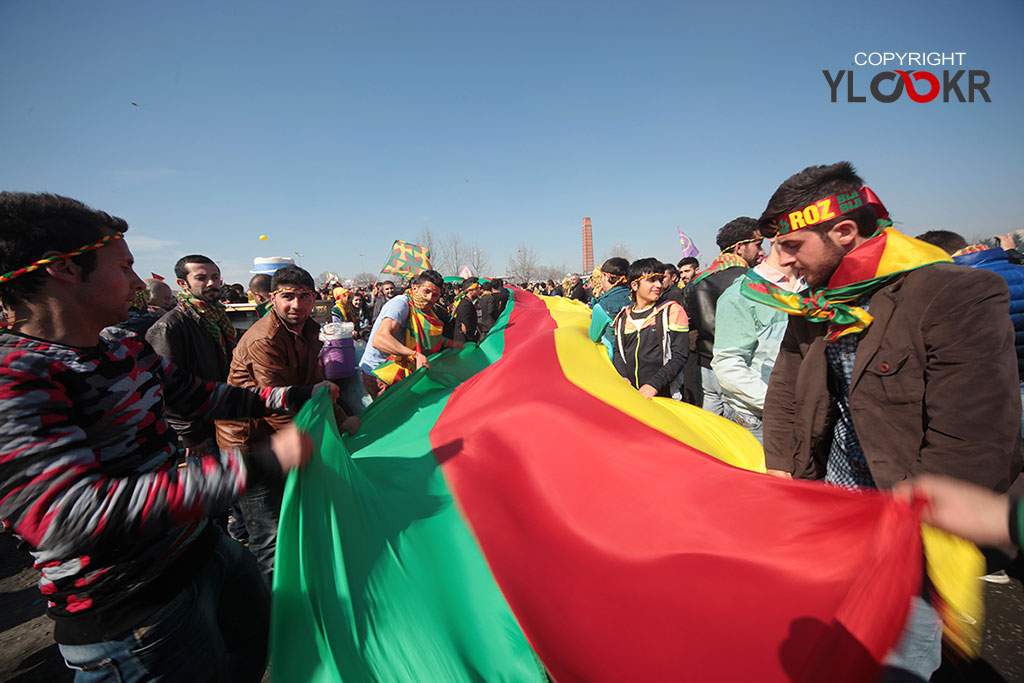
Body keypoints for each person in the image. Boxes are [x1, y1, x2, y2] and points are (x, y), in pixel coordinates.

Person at [0, 192, 323, 682]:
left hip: (199, 551)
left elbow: (203, 396)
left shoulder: (121, 345)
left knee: (255, 647)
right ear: (64, 269)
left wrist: (295, 397)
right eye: (124, 266)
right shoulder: (16, 377)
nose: (136, 282)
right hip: (133, 607)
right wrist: (259, 462)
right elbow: (70, 516)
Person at [750, 162, 1022, 681]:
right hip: (831, 509)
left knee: (897, 660)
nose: (780, 264)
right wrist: (780, 471)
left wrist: (910, 520)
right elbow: (786, 390)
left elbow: (974, 433)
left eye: (791, 246)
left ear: (844, 231)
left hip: (908, 528)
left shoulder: (954, 293)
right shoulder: (817, 301)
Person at [216, 265, 359, 584]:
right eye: (287, 297)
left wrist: (341, 418)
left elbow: (316, 385)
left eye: (304, 297)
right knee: (270, 539)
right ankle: (276, 618)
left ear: (314, 299)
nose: (296, 305)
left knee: (294, 523)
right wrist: (318, 445)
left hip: (286, 440)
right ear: (272, 298)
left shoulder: (308, 330)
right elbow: (275, 402)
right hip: (251, 444)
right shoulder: (264, 339)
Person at [710, 235, 802, 443]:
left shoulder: (820, 290)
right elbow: (728, 364)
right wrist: (782, 403)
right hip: (761, 417)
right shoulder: (740, 295)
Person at [147, 254, 235, 458]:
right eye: (201, 278)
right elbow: (168, 387)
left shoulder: (218, 317)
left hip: (225, 417)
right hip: (201, 429)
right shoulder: (170, 327)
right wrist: (191, 435)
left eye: (215, 276)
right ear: (182, 283)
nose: (212, 283)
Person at [687, 218, 763, 415]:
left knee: (710, 434)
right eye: (758, 244)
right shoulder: (751, 281)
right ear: (739, 247)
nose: (762, 251)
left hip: (706, 367)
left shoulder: (697, 282)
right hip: (741, 369)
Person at [359, 270, 449, 399]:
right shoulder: (400, 304)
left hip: (399, 369)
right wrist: (414, 355)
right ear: (415, 287)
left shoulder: (424, 309)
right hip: (380, 373)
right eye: (426, 292)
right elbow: (379, 340)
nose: (429, 298)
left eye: (435, 295)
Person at [611, 258, 689, 399]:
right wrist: (623, 377)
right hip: (631, 395)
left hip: (663, 395)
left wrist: (654, 384)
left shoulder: (671, 310)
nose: (659, 285)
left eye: (660, 279)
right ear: (635, 285)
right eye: (652, 280)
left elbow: (679, 355)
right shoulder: (623, 317)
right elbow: (619, 352)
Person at [452, 277, 483, 343]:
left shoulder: (468, 303)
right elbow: (465, 328)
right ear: (469, 290)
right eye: (477, 288)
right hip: (463, 342)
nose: (479, 291)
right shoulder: (466, 305)